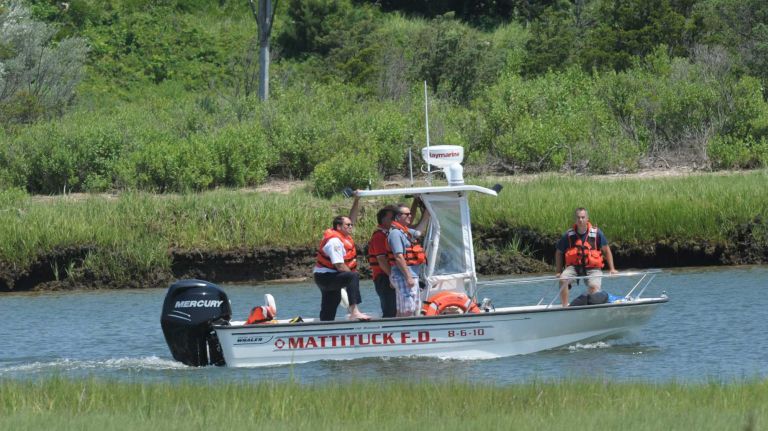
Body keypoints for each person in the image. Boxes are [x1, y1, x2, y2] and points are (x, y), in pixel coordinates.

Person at [313, 194, 370, 321]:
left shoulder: (343, 236)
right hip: (325, 277)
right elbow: (339, 265)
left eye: (351, 225)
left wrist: (357, 200)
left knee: (332, 301)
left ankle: (325, 327)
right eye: (348, 225)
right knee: (352, 276)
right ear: (339, 227)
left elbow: (352, 218)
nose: (351, 226)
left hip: (328, 276)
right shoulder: (334, 241)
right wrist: (351, 280)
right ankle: (354, 311)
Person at [555, 207, 618, 307]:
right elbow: (559, 252)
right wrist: (558, 271)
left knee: (594, 288)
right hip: (574, 267)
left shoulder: (597, 233)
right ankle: (565, 307)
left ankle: (588, 304)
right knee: (563, 279)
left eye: (583, 217)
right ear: (575, 219)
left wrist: (612, 269)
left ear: (587, 218)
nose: (580, 220)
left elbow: (606, 250)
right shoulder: (568, 235)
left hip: (593, 268)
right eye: (578, 217)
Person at [387, 200, 430, 317]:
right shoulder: (395, 233)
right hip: (404, 276)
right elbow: (398, 257)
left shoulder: (405, 231)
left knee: (411, 308)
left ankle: (401, 332)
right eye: (407, 214)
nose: (410, 216)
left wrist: (426, 214)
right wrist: (408, 277)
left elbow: (418, 233)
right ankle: (404, 332)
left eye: (410, 213)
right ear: (397, 217)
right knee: (407, 309)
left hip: (411, 275)